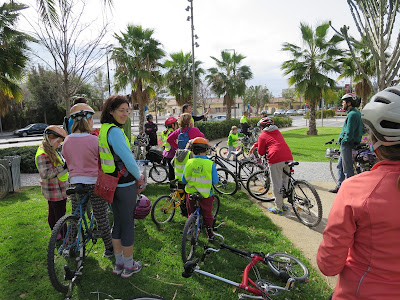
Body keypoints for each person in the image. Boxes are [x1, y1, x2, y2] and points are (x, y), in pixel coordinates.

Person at [317, 86, 400, 300]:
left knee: (345, 171)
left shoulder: (356, 190)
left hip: (361, 292)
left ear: (376, 141)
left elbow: (328, 264)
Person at [99, 95, 143, 278]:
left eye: (128, 110)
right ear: (111, 111)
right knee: (127, 225)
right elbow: (128, 160)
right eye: (121, 110)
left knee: (117, 222)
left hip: (111, 184)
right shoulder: (116, 132)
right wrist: (139, 176)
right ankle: (129, 266)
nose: (125, 114)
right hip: (124, 184)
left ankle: (118, 264)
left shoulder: (104, 129)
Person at [62, 103, 113, 257]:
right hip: (93, 182)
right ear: (87, 121)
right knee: (101, 216)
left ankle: (69, 245)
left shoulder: (67, 140)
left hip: (75, 181)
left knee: (75, 216)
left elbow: (67, 160)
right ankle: (109, 248)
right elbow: (103, 161)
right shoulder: (93, 140)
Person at [250, 117, 293, 215]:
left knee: (277, 183)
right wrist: (256, 144)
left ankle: (278, 207)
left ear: (262, 127)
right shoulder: (277, 131)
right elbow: (272, 140)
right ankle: (283, 204)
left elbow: (261, 152)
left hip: (275, 159)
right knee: (285, 181)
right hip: (288, 156)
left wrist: (258, 146)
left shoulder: (262, 135)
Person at [182, 137, 219, 241]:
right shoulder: (210, 164)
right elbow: (215, 181)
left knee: (191, 213)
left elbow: (184, 179)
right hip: (205, 194)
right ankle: (210, 233)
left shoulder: (189, 162)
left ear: (193, 150)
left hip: (191, 193)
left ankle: (191, 229)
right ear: (206, 150)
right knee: (207, 216)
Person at [35, 126, 68, 234]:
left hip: (57, 189)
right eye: (58, 141)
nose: (59, 144)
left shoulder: (50, 150)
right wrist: (62, 167)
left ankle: (56, 234)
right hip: (54, 191)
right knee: (60, 216)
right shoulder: (42, 154)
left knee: (54, 213)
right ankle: (64, 237)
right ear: (50, 138)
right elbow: (45, 173)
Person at [329, 93, 363, 193]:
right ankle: (340, 186)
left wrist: (343, 140)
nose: (342, 104)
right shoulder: (355, 113)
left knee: (347, 169)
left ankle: (350, 191)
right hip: (348, 144)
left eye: (344, 102)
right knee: (340, 165)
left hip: (347, 145)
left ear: (349, 103)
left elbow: (349, 132)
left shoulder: (352, 115)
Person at [161, 116, 178, 182]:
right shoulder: (172, 133)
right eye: (175, 123)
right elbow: (173, 144)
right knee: (173, 171)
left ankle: (171, 184)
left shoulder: (164, 132)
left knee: (171, 170)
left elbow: (163, 142)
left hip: (167, 153)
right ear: (172, 125)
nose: (176, 125)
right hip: (172, 153)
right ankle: (173, 185)